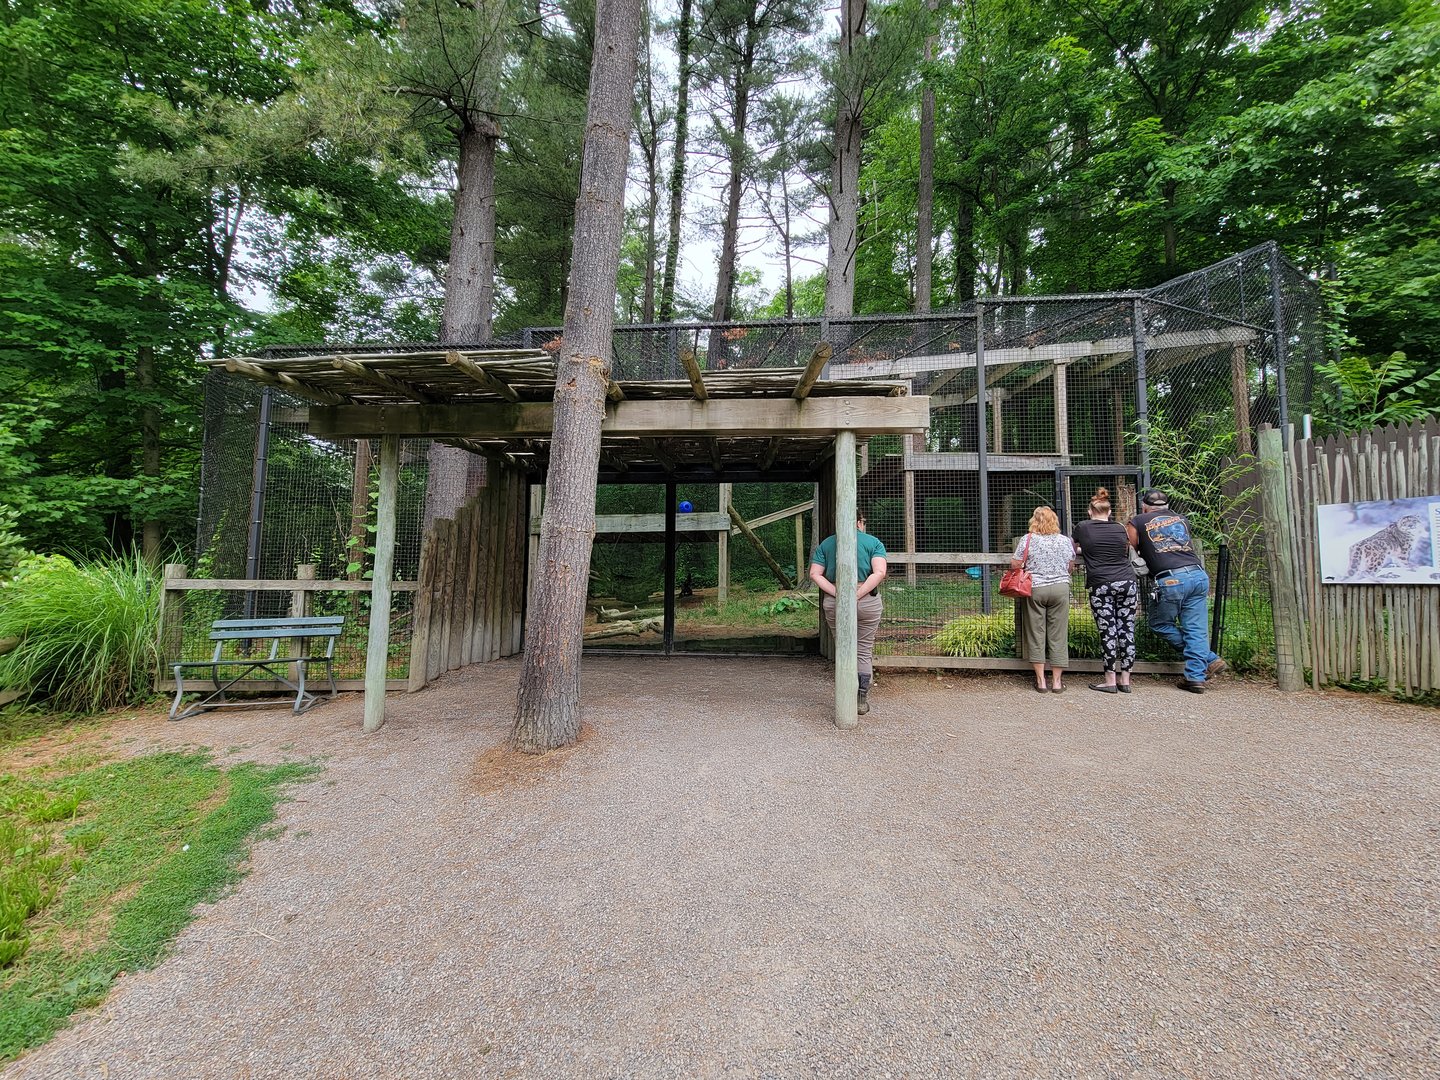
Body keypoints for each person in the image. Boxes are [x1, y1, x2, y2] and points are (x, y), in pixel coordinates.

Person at [1126, 488, 1227, 693]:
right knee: (1196, 629)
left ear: (1144, 507)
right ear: (1167, 506)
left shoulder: (1138, 521)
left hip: (1170, 578)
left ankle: (1208, 659)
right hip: (1198, 575)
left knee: (1160, 623)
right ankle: (1195, 677)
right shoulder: (1181, 519)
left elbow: (1130, 546)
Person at [809, 511, 887, 715]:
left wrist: (839, 594)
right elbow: (880, 572)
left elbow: (815, 574)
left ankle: (845, 697)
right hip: (867, 601)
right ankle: (860, 699)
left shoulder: (826, 544)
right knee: (863, 650)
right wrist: (857, 594)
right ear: (859, 522)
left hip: (834, 601)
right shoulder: (873, 542)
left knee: (843, 648)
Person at [1072, 487, 1138, 694]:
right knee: (1127, 628)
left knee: (1108, 630)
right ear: (1109, 512)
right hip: (1127, 581)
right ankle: (1125, 679)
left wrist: (1085, 551)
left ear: (1089, 511)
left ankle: (1110, 679)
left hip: (1101, 583)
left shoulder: (1083, 527)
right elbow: (1121, 549)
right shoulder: (1120, 527)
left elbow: (1072, 551)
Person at [1011, 506, 1075, 693]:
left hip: (1036, 588)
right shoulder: (1065, 541)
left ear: (1034, 521)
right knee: (1058, 634)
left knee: (1035, 632)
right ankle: (1057, 682)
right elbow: (1070, 566)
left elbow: (1015, 563)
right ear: (1054, 521)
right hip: (1061, 588)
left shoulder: (1028, 539)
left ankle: (1041, 681)